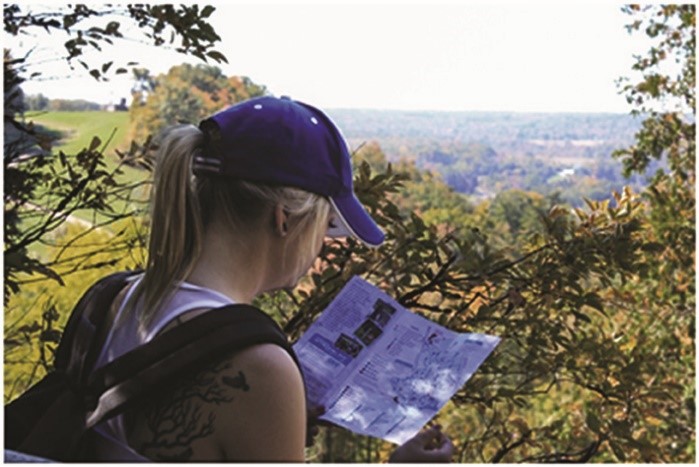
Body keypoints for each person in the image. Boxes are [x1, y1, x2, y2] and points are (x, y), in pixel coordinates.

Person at [90, 95, 454, 462]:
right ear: (285, 219)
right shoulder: (259, 366)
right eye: (326, 225)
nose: (320, 248)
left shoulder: (114, 297)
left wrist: (275, 424)